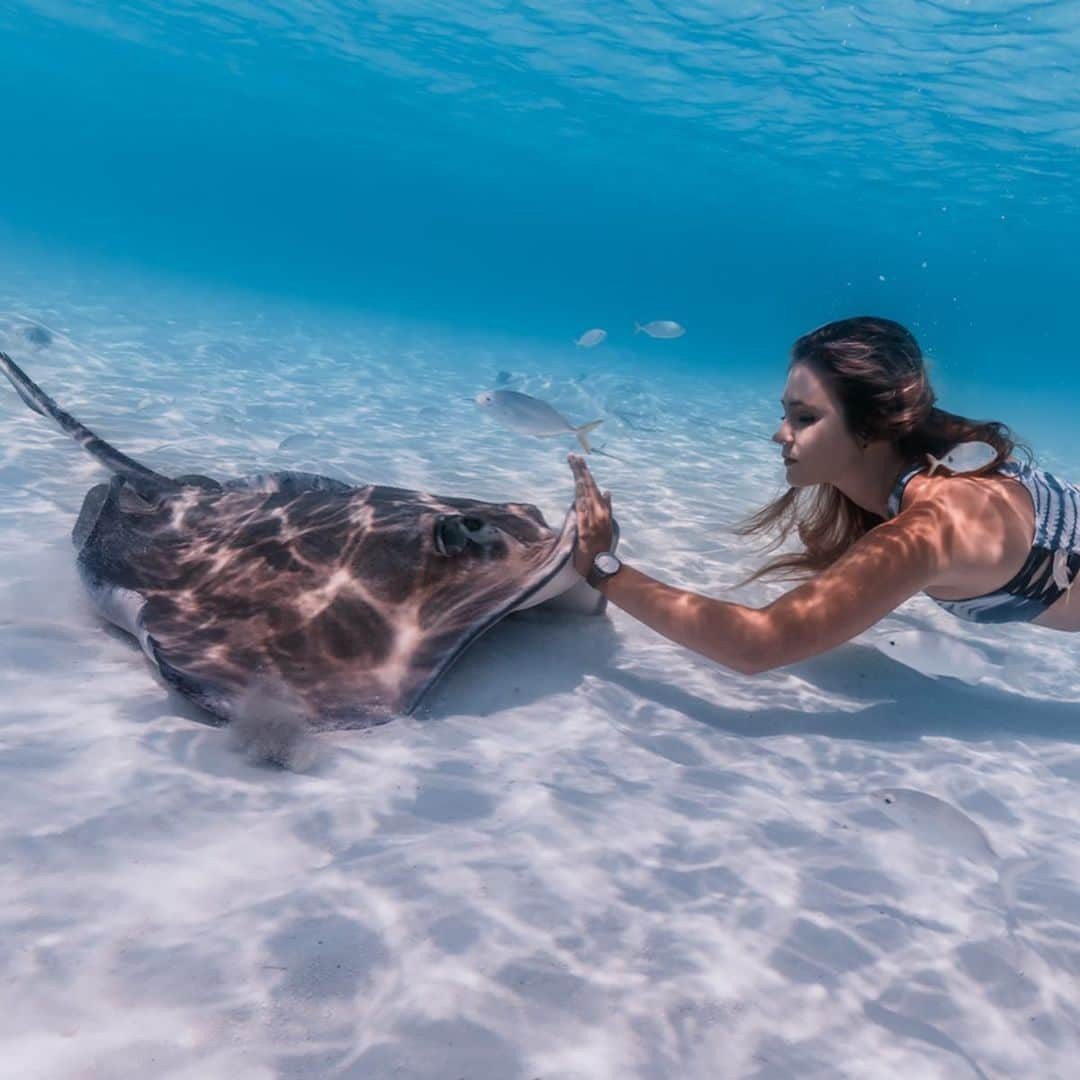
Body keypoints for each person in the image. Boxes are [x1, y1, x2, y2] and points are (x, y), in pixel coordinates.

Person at [569, 316, 1080, 676]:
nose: (779, 434)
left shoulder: (929, 530)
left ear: (874, 425)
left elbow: (755, 645)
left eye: (804, 417)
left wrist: (602, 566)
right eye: (785, 414)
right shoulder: (931, 477)